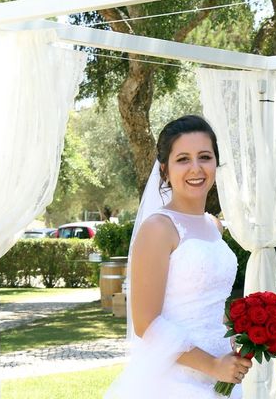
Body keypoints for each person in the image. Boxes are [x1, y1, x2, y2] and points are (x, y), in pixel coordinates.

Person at [105, 115, 252, 399]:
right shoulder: (158, 228)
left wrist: (246, 336)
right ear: (164, 170)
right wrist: (211, 365)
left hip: (222, 373)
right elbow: (147, 323)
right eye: (183, 159)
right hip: (173, 381)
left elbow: (210, 303)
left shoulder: (214, 225)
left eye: (205, 157)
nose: (196, 168)